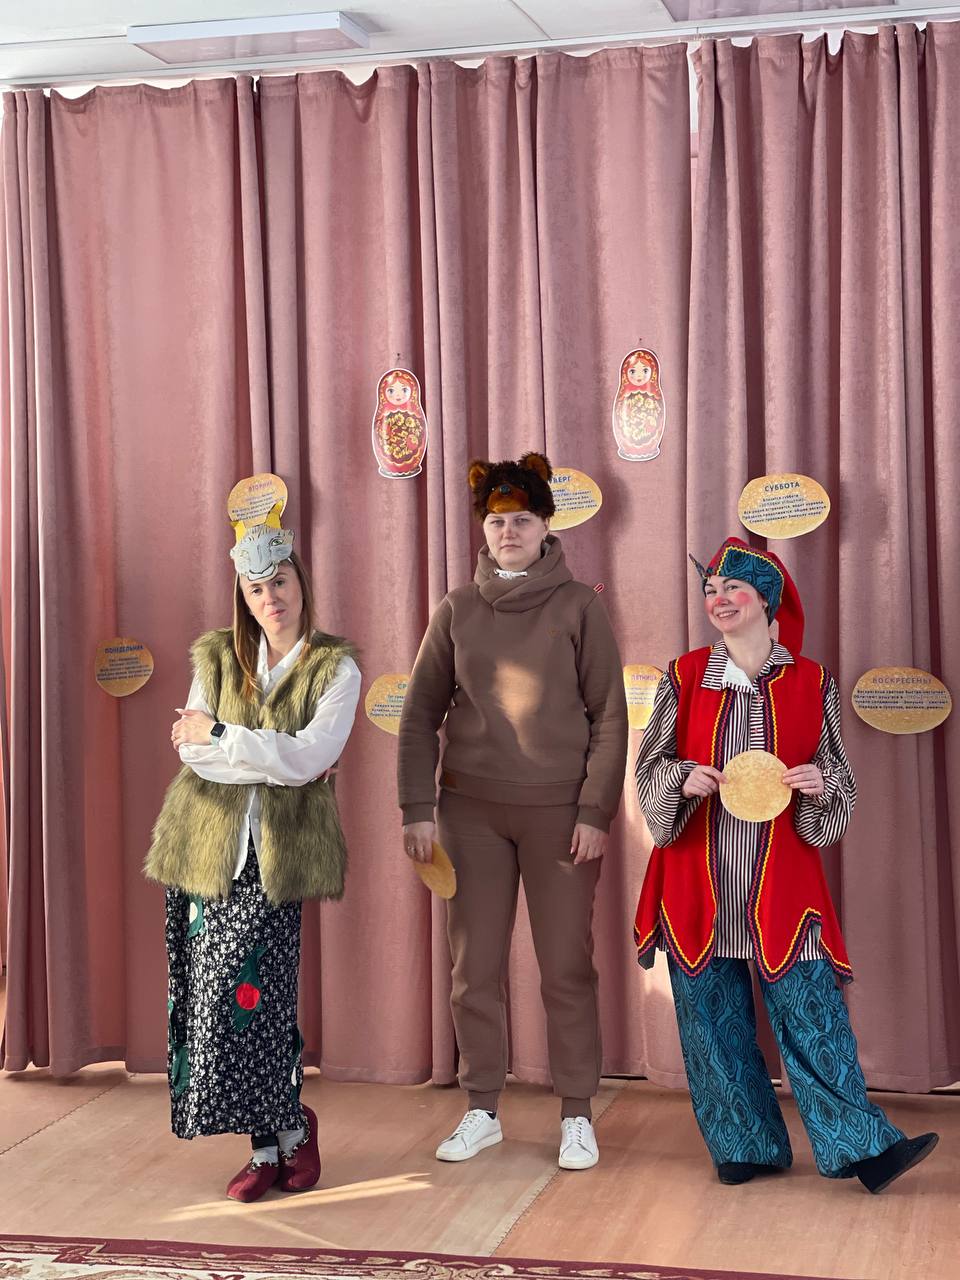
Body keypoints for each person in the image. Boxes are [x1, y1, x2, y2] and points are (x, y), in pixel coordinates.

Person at [633, 536, 938, 1192]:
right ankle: (744, 1147)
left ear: (766, 601)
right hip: (698, 876)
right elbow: (650, 765)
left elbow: (837, 773)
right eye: (711, 590)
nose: (718, 599)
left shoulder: (811, 679)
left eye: (733, 589)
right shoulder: (684, 675)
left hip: (782, 882)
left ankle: (864, 1150)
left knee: (813, 1014)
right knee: (709, 1020)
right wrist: (682, 778)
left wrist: (820, 785)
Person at [398, 452, 628, 1171]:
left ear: (545, 526)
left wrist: (595, 810)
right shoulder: (456, 610)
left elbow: (611, 717)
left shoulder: (580, 606)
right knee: (474, 969)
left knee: (565, 967)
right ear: (483, 529)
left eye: (522, 520)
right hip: (468, 814)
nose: (508, 533)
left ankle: (577, 1113)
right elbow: (418, 715)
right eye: (497, 523)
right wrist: (417, 806)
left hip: (559, 816)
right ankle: (482, 1108)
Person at [145, 498, 361, 1202]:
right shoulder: (215, 656)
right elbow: (193, 754)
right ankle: (271, 1143)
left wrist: (224, 736)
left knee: (259, 1005)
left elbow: (310, 757)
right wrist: (263, 755)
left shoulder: (335, 669)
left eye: (280, 581)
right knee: (212, 1006)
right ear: (243, 594)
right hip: (203, 848)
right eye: (256, 587)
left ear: (301, 580)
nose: (271, 598)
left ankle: (287, 1132)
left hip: (275, 859)